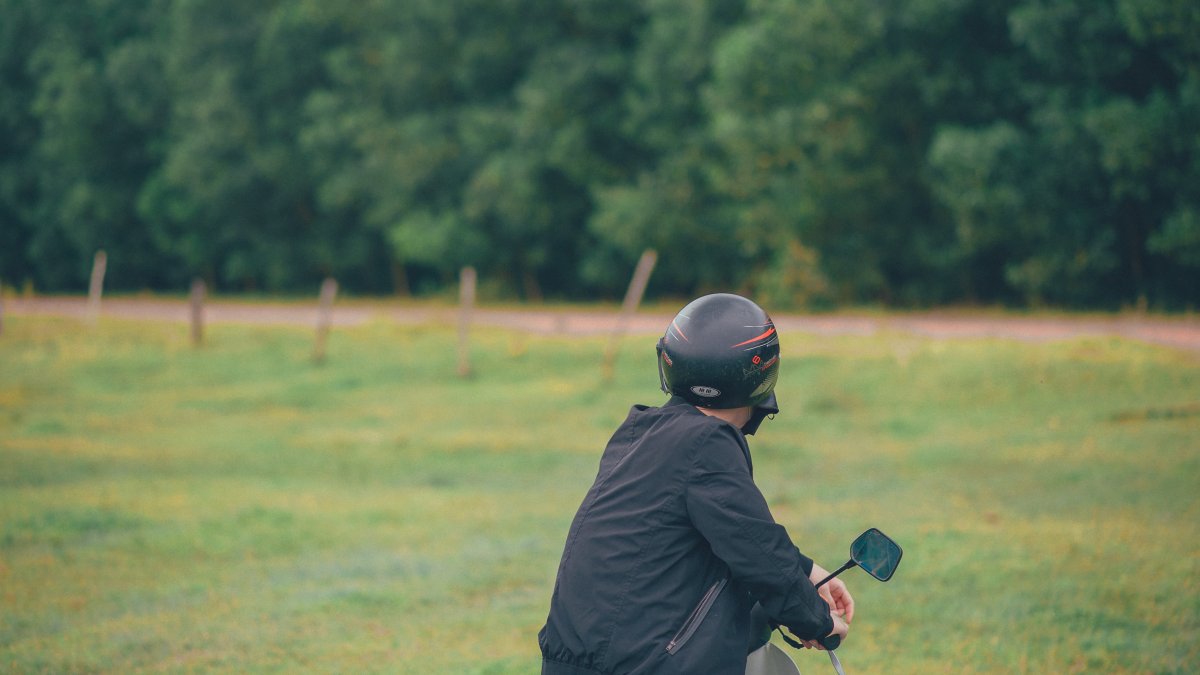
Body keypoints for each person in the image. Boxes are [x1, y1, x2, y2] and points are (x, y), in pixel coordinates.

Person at [539, 293, 853, 674]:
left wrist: (808, 571)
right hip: (643, 664)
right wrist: (817, 622)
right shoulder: (708, 443)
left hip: (573, 661)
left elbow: (735, 536)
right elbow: (756, 551)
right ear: (763, 372)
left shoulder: (639, 433)